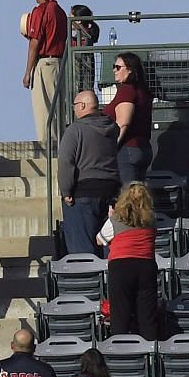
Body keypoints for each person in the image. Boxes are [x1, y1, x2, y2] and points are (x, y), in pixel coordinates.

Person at [56, 90, 120, 256]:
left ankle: (88, 280)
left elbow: (65, 162)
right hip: (111, 193)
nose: (74, 109)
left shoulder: (75, 130)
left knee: (82, 251)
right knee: (109, 246)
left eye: (75, 105)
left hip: (82, 194)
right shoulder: (112, 129)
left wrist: (66, 191)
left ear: (82, 106)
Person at [105, 182, 161, 340]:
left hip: (121, 266)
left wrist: (112, 216)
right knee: (147, 315)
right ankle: (151, 350)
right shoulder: (151, 220)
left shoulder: (115, 220)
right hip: (146, 266)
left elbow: (100, 239)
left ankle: (122, 352)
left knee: (120, 314)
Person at [22, 0, 68, 148]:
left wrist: (28, 71)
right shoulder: (61, 12)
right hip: (59, 63)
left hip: (45, 63)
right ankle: (60, 146)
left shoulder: (41, 10)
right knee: (58, 110)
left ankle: (48, 150)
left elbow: (35, 42)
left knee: (44, 111)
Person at [106, 53, 154, 189]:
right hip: (142, 149)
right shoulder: (143, 92)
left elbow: (123, 122)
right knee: (138, 198)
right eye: (113, 66)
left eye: (118, 67)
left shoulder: (127, 90)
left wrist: (111, 148)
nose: (114, 70)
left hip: (127, 150)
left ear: (130, 69)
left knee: (127, 198)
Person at [69, 6, 102, 94]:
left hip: (81, 76)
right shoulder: (83, 36)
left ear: (78, 20)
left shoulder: (85, 37)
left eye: (71, 17)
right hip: (83, 76)